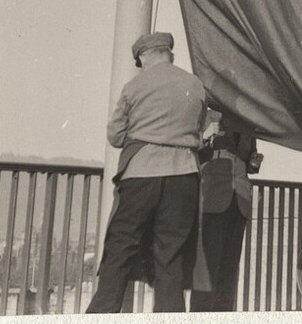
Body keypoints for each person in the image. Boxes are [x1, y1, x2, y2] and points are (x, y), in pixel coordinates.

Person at [86, 32, 207, 313]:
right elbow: (199, 131)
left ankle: (101, 315)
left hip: (141, 174)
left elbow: (115, 136)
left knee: (121, 246)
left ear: (143, 57)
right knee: (171, 255)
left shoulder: (134, 86)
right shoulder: (195, 85)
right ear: (168, 53)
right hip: (184, 176)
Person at [190, 112, 264, 311]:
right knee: (206, 268)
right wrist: (204, 136)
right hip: (213, 198)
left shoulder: (247, 122)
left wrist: (254, 162)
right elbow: (186, 148)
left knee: (230, 269)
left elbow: (248, 162)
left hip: (238, 201)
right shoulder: (205, 115)